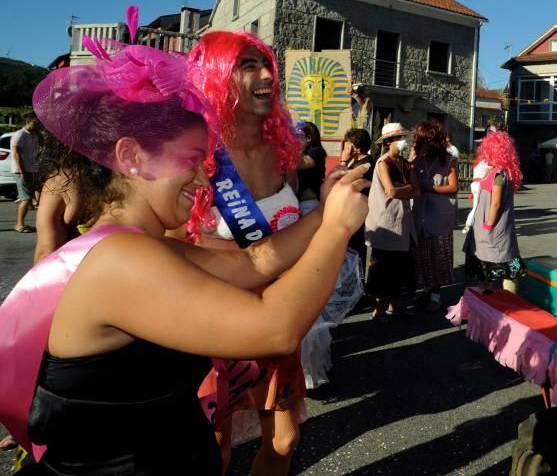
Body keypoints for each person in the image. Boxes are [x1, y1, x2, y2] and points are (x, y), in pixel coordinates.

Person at [0, 42, 369, 475]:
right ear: (132, 157)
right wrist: (338, 231)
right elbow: (275, 328)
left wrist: (326, 213)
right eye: (191, 161)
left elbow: (255, 263)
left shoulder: (138, 248)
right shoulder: (121, 261)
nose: (202, 178)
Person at [185, 31, 316, 476]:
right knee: (214, 450)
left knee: (285, 439)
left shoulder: (283, 152)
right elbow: (167, 248)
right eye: (247, 65)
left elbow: (292, 232)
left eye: (267, 65)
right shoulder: (194, 155)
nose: (266, 76)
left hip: (275, 321)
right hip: (212, 327)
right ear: (217, 76)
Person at [365, 122, 420, 321]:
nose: (403, 141)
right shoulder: (383, 162)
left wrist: (402, 189)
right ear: (390, 142)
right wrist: (407, 188)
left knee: (400, 267)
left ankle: (393, 306)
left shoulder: (406, 164)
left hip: (403, 221)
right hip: (386, 222)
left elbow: (417, 190)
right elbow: (391, 191)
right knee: (382, 267)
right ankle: (378, 310)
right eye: (399, 138)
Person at [468, 131, 526, 292]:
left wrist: (488, 225)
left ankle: (505, 304)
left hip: (493, 232)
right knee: (495, 269)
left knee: (500, 269)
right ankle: (494, 304)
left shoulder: (499, 174)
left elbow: (496, 203)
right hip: (495, 231)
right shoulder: (497, 172)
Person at [411, 120, 459, 311]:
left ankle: (436, 295)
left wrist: (427, 186)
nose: (421, 145)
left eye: (424, 141)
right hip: (420, 214)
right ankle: (425, 290)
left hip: (439, 216)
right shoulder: (418, 161)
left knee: (437, 257)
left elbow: (454, 187)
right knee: (421, 255)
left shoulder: (449, 161)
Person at [341, 128, 375, 274]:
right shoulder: (356, 161)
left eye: (349, 144)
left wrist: (343, 160)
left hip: (358, 213)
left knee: (355, 251)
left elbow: (342, 183)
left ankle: (357, 287)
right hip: (351, 211)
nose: (346, 147)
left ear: (357, 146)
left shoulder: (365, 164)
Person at [10, 112, 39, 234]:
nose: (38, 124)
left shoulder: (33, 135)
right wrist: (22, 172)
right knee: (26, 199)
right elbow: (16, 154)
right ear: (28, 121)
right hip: (21, 171)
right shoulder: (19, 135)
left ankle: (21, 223)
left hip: (31, 170)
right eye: (35, 122)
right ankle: (19, 225)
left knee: (28, 198)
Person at [296, 121, 327, 214]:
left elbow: (301, 163)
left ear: (308, 138)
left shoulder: (316, 150)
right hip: (298, 201)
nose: (294, 138)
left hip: (309, 203)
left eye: (298, 136)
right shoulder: (303, 151)